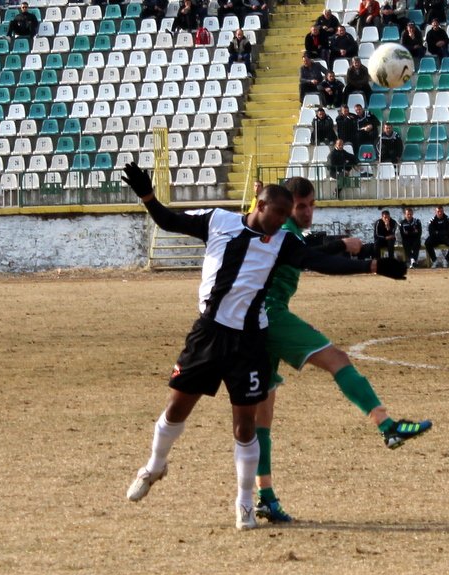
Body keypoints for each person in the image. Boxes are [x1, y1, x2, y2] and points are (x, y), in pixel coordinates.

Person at [121, 164, 409, 530]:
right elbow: (167, 221)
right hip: (208, 335)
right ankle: (154, 467)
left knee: (246, 425)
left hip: (250, 341)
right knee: (176, 409)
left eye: (285, 218)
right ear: (259, 205)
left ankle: (244, 504)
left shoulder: (282, 242)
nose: (279, 225)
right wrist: (148, 196)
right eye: (276, 216)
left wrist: (372, 265)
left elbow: (320, 261)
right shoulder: (218, 221)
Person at [254, 176, 430, 523]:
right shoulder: (285, 232)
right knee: (338, 360)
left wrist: (339, 246)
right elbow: (317, 261)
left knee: (262, 417)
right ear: (286, 206)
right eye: (301, 205)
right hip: (271, 314)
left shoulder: (283, 231)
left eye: (311, 204)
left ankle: (266, 497)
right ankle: (386, 425)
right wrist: (369, 264)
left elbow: (308, 255)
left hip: (255, 320)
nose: (307, 211)